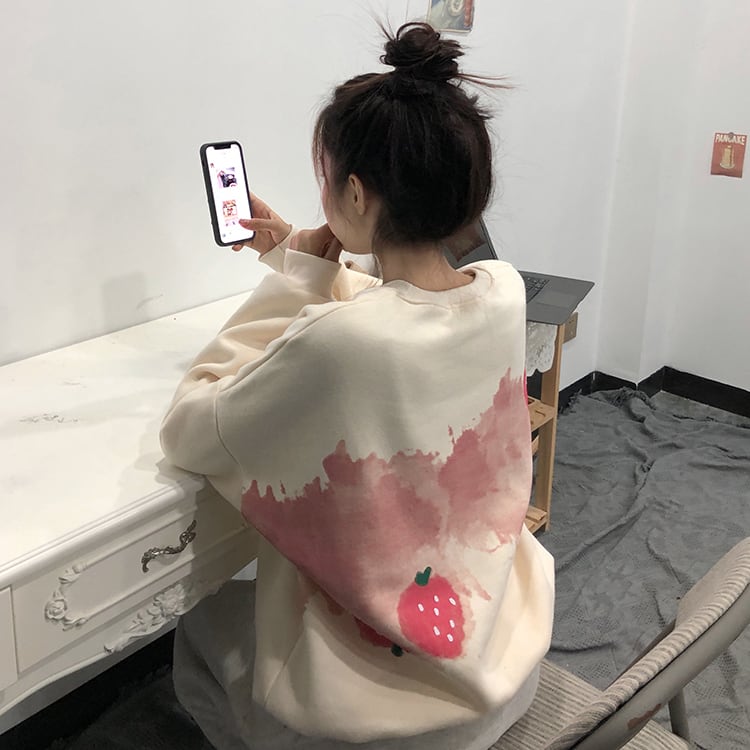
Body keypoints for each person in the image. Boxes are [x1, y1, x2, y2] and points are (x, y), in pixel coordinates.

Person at [160, 21, 554, 750]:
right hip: (505, 656)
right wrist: (295, 256)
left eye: (326, 179)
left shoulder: (342, 344)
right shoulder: (502, 291)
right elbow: (399, 315)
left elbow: (191, 426)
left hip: (383, 725)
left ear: (354, 192)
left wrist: (296, 281)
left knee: (199, 626)